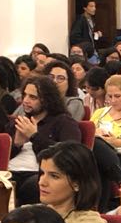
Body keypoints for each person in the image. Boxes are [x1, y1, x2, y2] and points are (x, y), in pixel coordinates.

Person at [7, 76, 81, 205]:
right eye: (24, 95)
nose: (26, 100)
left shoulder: (63, 122)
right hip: (10, 171)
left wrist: (34, 136)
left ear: (47, 100)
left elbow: (69, 155)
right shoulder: (18, 121)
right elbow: (1, 156)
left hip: (39, 173)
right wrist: (16, 144)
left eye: (33, 97)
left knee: (32, 185)